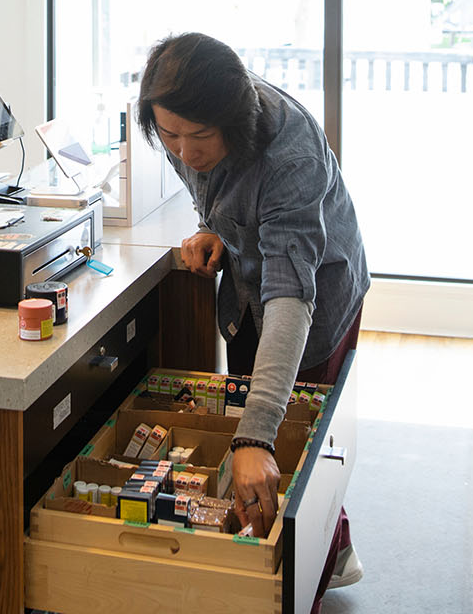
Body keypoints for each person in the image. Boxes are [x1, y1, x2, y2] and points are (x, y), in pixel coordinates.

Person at [136, 31, 370, 606]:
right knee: (261, 446)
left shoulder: (290, 154)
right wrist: (215, 228)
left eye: (199, 137)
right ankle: (330, 549)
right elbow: (217, 192)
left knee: (291, 447)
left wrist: (256, 435)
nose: (184, 152)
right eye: (168, 135)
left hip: (314, 299)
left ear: (233, 123)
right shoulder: (185, 127)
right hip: (246, 288)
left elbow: (291, 295)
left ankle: (309, 571)